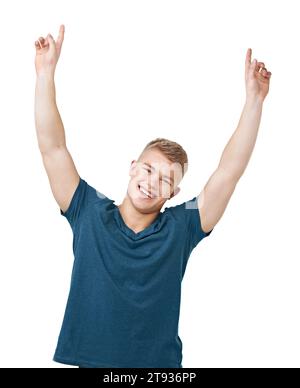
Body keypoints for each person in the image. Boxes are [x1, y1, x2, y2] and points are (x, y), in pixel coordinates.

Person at [34, 25, 272, 368]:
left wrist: (255, 102)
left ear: (174, 193)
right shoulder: (89, 211)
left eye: (164, 179)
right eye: (148, 169)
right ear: (133, 167)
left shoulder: (181, 228)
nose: (151, 182)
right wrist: (45, 73)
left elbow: (228, 173)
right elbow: (53, 148)